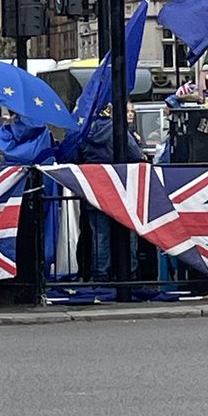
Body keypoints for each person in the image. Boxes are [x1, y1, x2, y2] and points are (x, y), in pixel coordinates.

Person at [78, 105, 143, 283]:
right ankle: (129, 272)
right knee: (128, 232)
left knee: (99, 235)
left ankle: (100, 275)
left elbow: (75, 156)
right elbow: (135, 154)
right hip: (120, 187)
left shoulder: (84, 130)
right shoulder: (118, 129)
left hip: (94, 188)